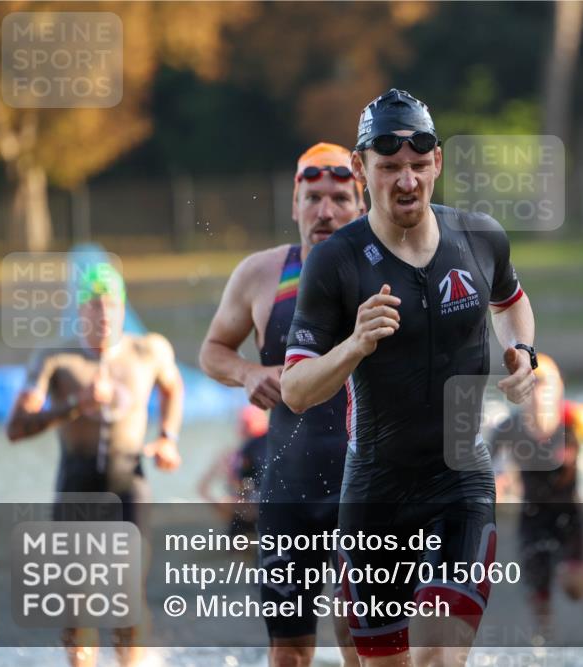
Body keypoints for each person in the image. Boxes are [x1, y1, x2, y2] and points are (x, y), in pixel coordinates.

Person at [280, 89, 537, 667]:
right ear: (360, 169)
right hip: (375, 493)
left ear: (438, 163)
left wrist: (521, 350)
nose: (407, 181)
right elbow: (296, 391)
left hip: (460, 482)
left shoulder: (480, 236)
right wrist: (355, 343)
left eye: (419, 166)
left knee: (439, 659)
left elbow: (512, 302)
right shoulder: (336, 262)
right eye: (389, 166)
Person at [199, 142, 365, 667]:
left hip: (366, 481)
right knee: (289, 649)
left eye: (340, 197)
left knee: (360, 630)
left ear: (361, 204)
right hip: (288, 484)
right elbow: (212, 351)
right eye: (313, 197)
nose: (326, 211)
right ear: (294, 204)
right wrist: (248, 372)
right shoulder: (261, 274)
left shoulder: (387, 267)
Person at [5, 262, 183, 667]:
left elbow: (173, 387)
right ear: (79, 312)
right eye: (94, 308)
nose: (104, 317)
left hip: (129, 487)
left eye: (112, 306)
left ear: (123, 308)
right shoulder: (57, 360)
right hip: (76, 488)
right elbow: (15, 428)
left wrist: (168, 438)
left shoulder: (148, 350)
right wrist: (72, 406)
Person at [487, 353, 583, 640]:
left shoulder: (576, 418)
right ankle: (547, 647)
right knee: (539, 601)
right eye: (534, 384)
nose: (540, 393)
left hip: (570, 517)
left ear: (559, 389)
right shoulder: (508, 429)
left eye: (547, 385)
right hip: (531, 518)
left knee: (573, 587)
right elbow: (479, 472)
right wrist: (495, 488)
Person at [197, 404, 269, 538]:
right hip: (262, 511)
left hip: (253, 511)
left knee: (230, 501)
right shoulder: (271, 446)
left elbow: (202, 489)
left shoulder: (239, 454)